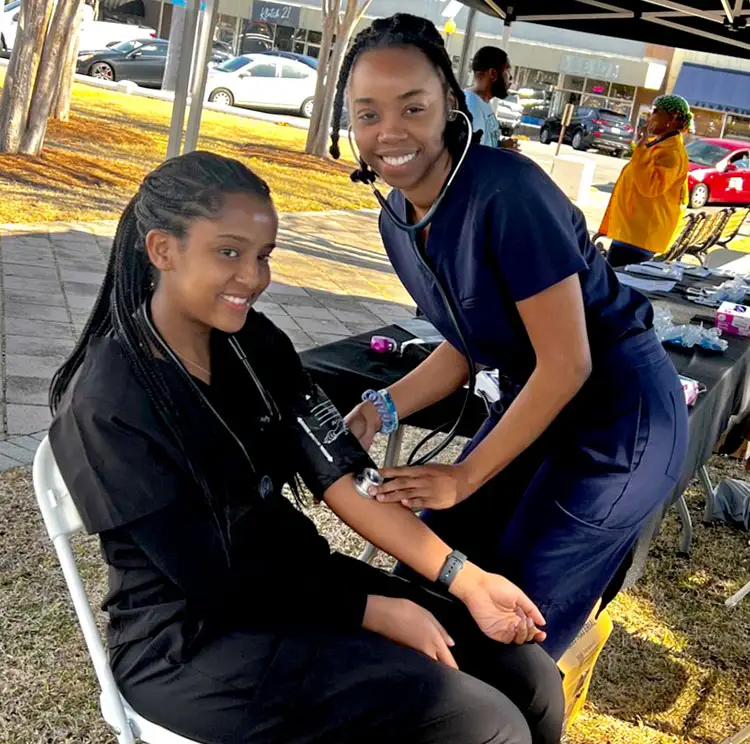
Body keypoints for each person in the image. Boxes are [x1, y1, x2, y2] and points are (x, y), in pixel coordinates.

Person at [48, 151, 564, 744]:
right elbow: (213, 578)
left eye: (263, 256)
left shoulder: (255, 345)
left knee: (529, 677)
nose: (253, 277)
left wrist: (466, 579)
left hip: (302, 587)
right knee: (481, 724)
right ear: (163, 250)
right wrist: (374, 611)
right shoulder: (109, 400)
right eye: (229, 252)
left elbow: (345, 476)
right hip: (193, 643)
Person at [328, 13, 689, 661]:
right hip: (534, 406)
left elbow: (568, 362)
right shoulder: (397, 217)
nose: (390, 133)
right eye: (368, 114)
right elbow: (469, 339)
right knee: (432, 572)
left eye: (413, 106)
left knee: (516, 617)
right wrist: (381, 407)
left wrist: (464, 475)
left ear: (450, 102)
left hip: (617, 423)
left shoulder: (509, 194)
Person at [600, 95, 692, 267]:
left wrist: (641, 148)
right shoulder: (658, 146)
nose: (649, 117)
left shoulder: (671, 153)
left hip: (640, 236)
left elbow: (650, 187)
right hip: (631, 233)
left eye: (656, 112)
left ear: (671, 118)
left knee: (616, 286)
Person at [463, 46, 518, 151]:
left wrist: (500, 145)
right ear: (493, 74)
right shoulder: (471, 107)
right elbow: (473, 155)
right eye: (508, 71)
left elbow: (484, 145)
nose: (510, 78)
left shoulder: (482, 103)